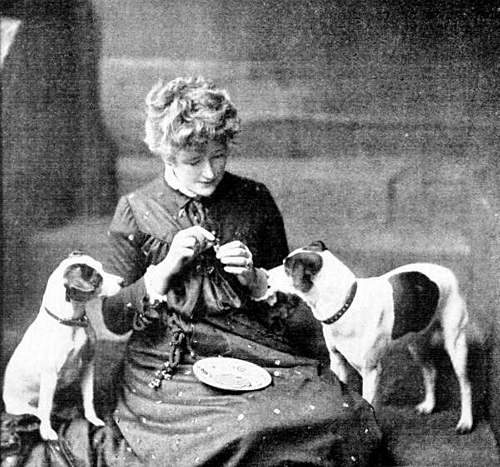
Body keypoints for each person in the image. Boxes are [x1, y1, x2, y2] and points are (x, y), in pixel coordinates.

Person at [5, 77, 382, 466]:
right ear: (167, 157)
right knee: (241, 433)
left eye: (218, 156)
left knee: (338, 417)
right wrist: (164, 271)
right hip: (171, 358)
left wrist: (255, 280)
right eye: (193, 161)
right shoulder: (135, 210)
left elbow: (291, 305)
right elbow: (115, 318)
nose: (209, 172)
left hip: (255, 349)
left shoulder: (255, 199)